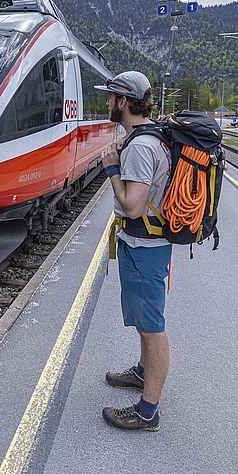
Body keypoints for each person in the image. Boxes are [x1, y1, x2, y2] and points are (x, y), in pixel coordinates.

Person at [95, 70, 172, 432]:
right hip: (141, 246)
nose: (107, 103)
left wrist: (111, 168)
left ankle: (147, 412)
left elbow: (132, 206)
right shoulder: (145, 137)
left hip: (145, 249)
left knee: (152, 328)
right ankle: (142, 374)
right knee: (145, 324)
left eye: (111, 98)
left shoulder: (140, 147)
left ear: (124, 102)